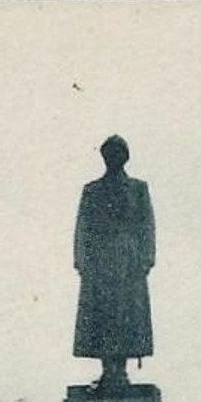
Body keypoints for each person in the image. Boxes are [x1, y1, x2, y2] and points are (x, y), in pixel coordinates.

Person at [73, 135, 155, 387]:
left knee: (126, 317)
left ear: (125, 157)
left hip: (128, 263)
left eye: (118, 152)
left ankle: (120, 370)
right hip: (100, 263)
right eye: (109, 153)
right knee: (102, 317)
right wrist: (81, 260)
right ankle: (108, 369)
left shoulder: (138, 189)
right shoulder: (92, 190)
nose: (114, 157)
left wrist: (146, 259)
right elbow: (83, 227)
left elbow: (147, 226)